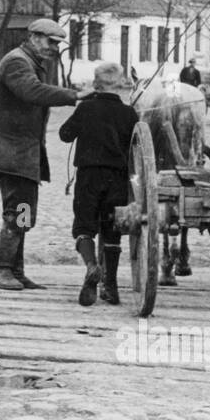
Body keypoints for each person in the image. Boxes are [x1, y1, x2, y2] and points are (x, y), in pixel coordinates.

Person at [0, 18, 90, 290]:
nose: (54, 48)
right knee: (18, 211)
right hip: (11, 155)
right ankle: (0, 269)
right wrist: (75, 95)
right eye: (51, 42)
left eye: (57, 44)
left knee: (23, 212)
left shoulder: (29, 62)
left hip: (21, 155)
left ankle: (15, 270)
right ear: (34, 37)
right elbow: (33, 91)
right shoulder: (17, 62)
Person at [58, 62, 139, 306]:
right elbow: (135, 149)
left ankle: (92, 266)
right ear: (121, 85)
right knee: (111, 230)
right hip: (117, 178)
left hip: (88, 176)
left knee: (84, 227)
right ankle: (111, 287)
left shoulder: (86, 108)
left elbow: (65, 135)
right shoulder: (129, 113)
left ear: (95, 84)